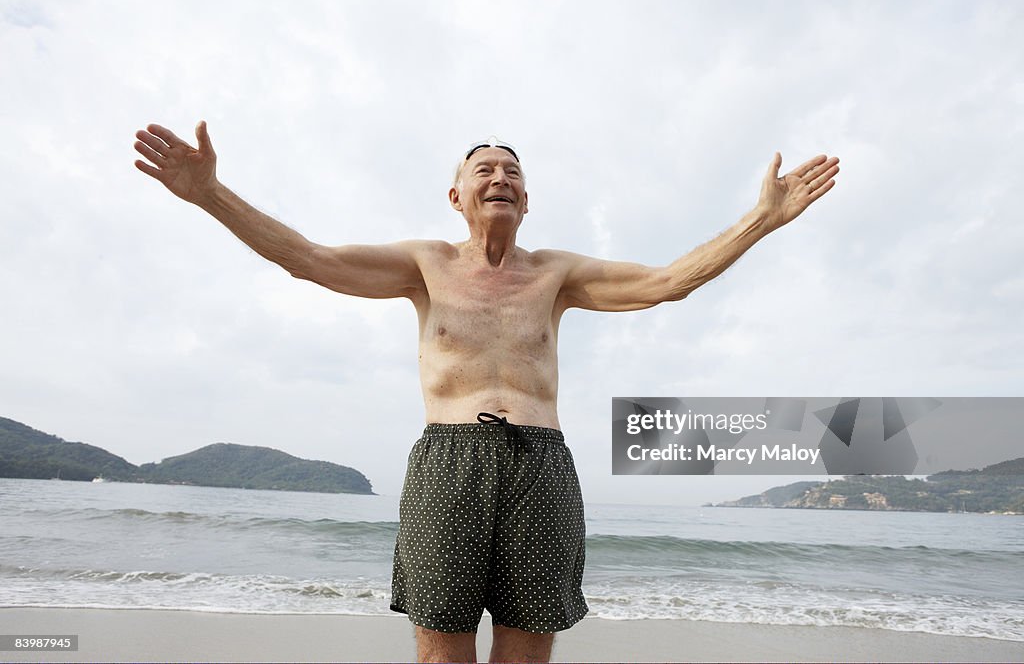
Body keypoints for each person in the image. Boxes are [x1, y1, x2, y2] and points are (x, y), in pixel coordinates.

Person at [134, 122, 839, 663]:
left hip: (542, 463)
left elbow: (666, 282)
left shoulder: (556, 273)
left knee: (529, 651)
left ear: (527, 200)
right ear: (456, 195)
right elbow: (310, 260)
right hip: (450, 459)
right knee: (441, 650)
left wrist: (763, 218)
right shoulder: (425, 265)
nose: (499, 177)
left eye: (512, 172)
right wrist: (210, 195)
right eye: (484, 170)